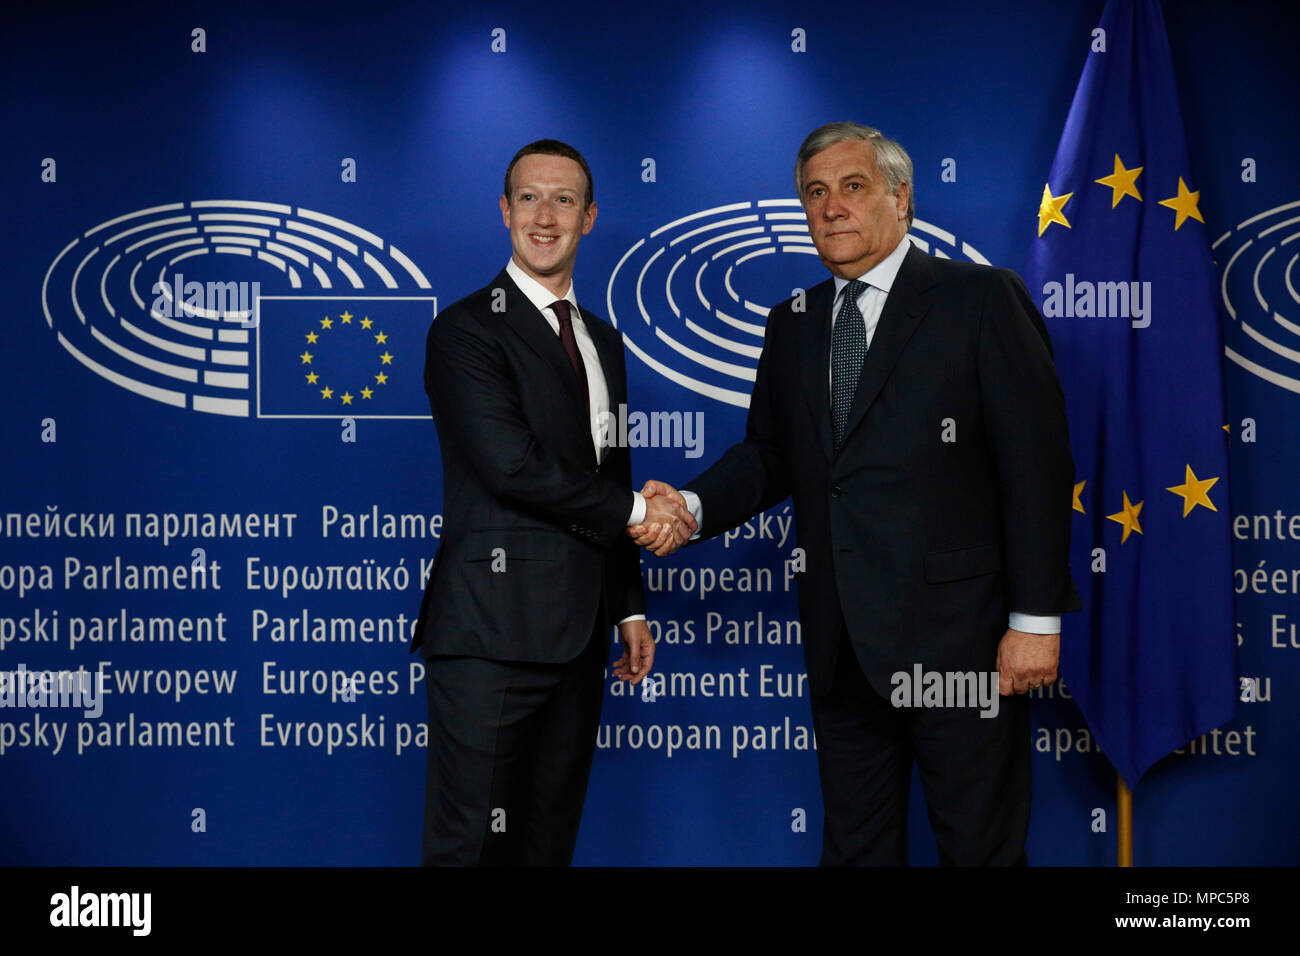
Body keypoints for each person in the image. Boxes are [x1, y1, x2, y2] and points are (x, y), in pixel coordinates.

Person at [632, 122, 1080, 865]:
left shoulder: (980, 299)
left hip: (961, 645)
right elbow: (771, 454)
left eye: (853, 187)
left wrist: (1036, 619)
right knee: (855, 851)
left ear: (900, 200)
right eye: (815, 193)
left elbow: (1036, 465)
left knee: (981, 850)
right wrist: (691, 505)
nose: (831, 207)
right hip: (843, 646)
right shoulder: (795, 323)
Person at [410, 139, 696, 865]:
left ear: (590, 217)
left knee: (545, 850)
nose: (546, 216)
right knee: (470, 851)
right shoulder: (466, 329)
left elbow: (613, 466)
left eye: (563, 199)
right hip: (489, 640)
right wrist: (641, 512)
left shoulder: (604, 340)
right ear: (504, 212)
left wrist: (627, 605)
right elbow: (512, 466)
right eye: (529, 198)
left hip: (579, 640)